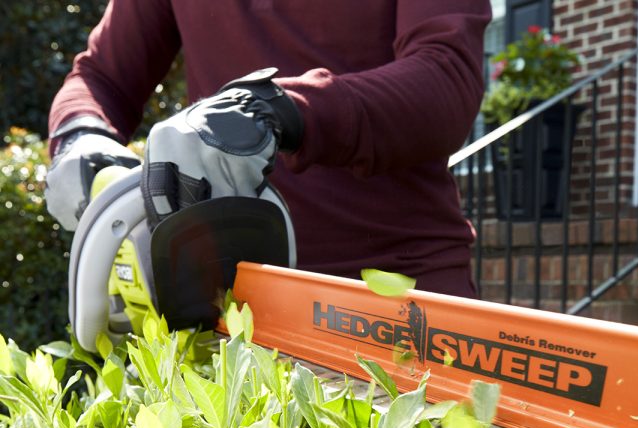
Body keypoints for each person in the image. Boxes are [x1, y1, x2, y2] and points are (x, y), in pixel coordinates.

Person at [45, 0, 492, 297]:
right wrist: (79, 132)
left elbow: (446, 77)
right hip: (229, 301)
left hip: (398, 291)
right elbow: (101, 78)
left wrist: (282, 109)